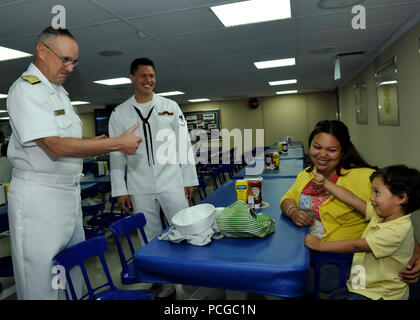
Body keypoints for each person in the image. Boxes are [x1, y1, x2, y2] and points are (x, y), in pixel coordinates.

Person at [6, 26, 142, 300]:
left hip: (68, 194)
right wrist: (113, 143)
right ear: (42, 51)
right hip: (38, 198)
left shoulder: (58, 93)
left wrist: (96, 141)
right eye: (64, 59)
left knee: (72, 273)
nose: (70, 67)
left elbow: (68, 141)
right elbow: (54, 146)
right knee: (40, 282)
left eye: (74, 61)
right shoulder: (26, 90)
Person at [280, 120, 420, 292]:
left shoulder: (364, 177)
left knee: (291, 283)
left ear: (343, 152)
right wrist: (293, 212)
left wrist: (416, 252)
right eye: (317, 147)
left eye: (331, 150)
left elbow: (397, 216)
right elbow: (287, 198)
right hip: (309, 253)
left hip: (346, 262)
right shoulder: (306, 175)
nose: (322, 154)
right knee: (284, 272)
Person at [109, 57, 198, 298]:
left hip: (172, 180)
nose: (148, 80)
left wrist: (188, 179)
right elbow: (116, 155)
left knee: (184, 229)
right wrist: (120, 190)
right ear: (132, 78)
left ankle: (191, 279)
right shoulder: (119, 113)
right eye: (143, 76)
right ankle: (163, 283)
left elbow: (183, 145)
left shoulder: (170, 106)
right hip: (139, 185)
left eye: (152, 76)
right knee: (149, 237)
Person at [305, 165, 420, 300]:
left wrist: (320, 246)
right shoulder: (382, 215)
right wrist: (325, 183)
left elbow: (355, 245)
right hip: (362, 284)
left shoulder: (396, 231)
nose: (371, 198)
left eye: (377, 192)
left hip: (379, 295)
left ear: (401, 198)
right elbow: (352, 199)